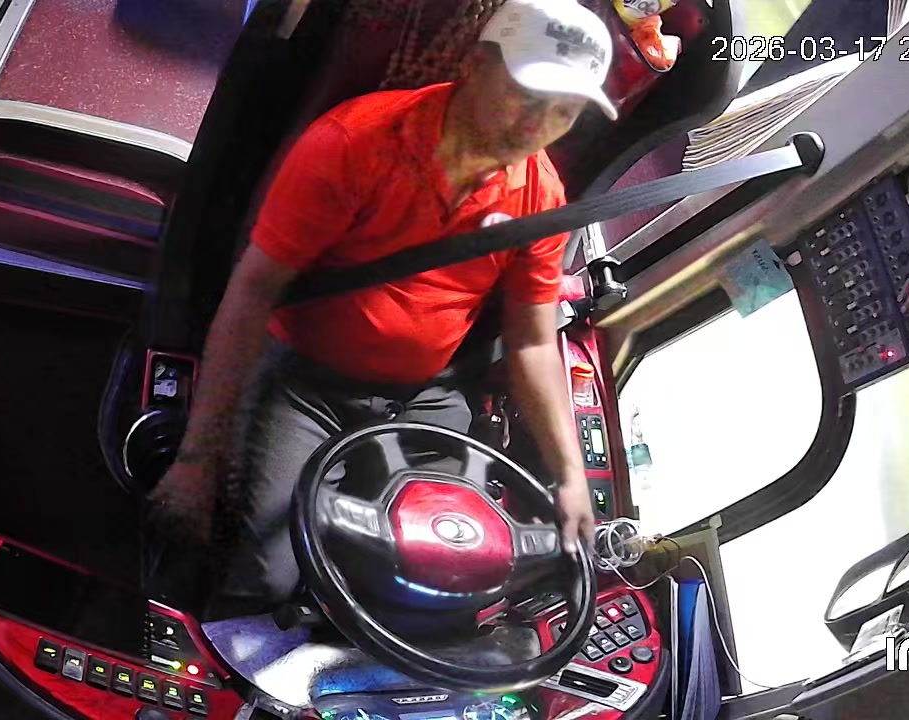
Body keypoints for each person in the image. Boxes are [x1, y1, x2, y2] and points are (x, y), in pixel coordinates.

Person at [149, 0, 618, 614]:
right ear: (476, 65)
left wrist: (571, 475)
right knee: (263, 580)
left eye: (564, 111)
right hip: (304, 383)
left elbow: (532, 341)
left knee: (449, 571)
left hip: (425, 396)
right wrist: (197, 457)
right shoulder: (355, 143)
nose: (537, 124)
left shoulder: (541, 196)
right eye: (526, 95)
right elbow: (252, 291)